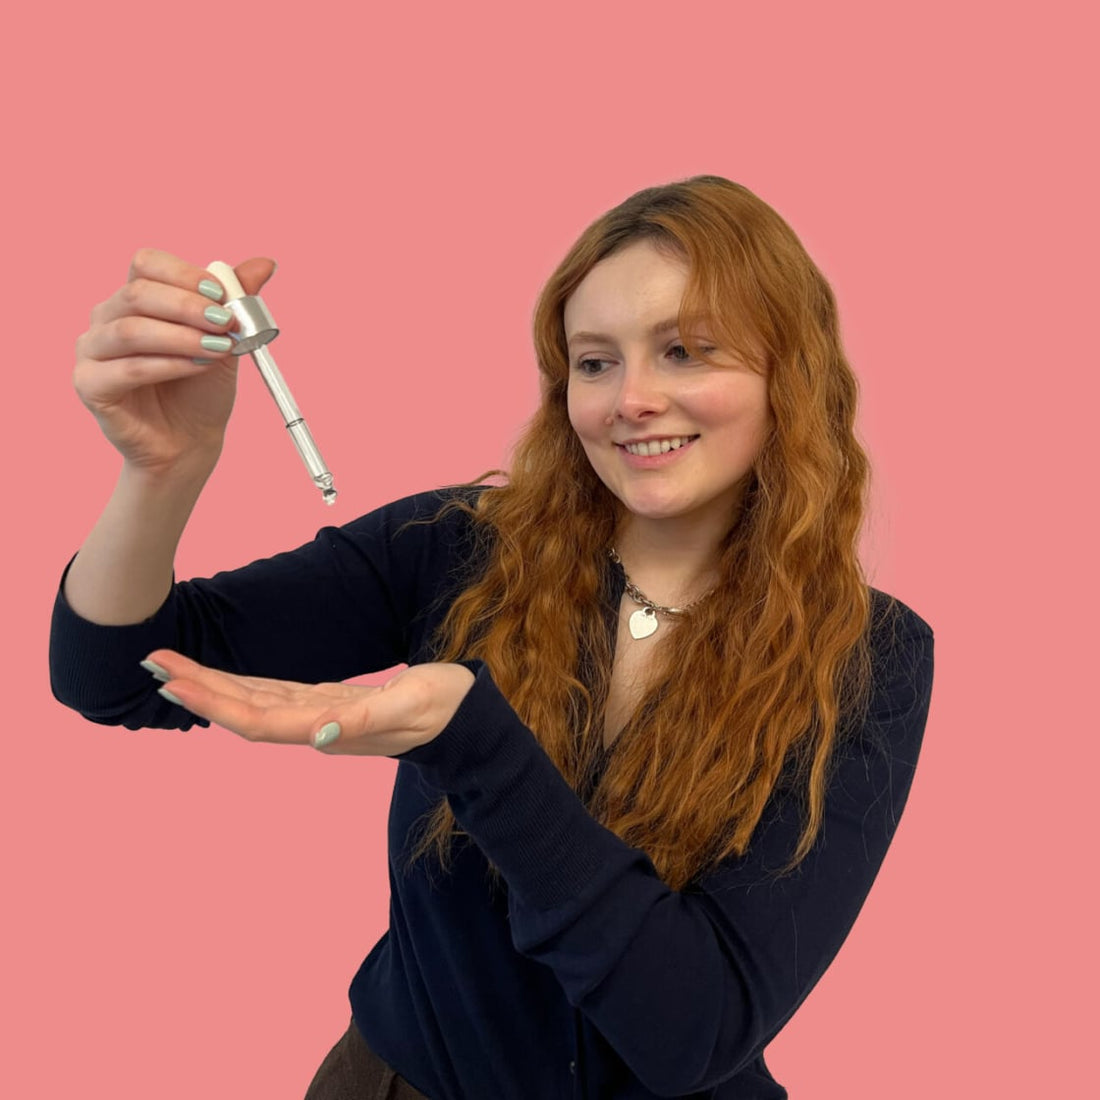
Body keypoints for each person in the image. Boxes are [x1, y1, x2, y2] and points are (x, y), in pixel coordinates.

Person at [49, 175, 934, 1100]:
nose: (630, 399)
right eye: (595, 362)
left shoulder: (870, 659)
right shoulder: (457, 548)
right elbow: (116, 673)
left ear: (788, 374)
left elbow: (692, 1034)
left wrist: (475, 740)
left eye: (684, 351)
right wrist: (163, 472)